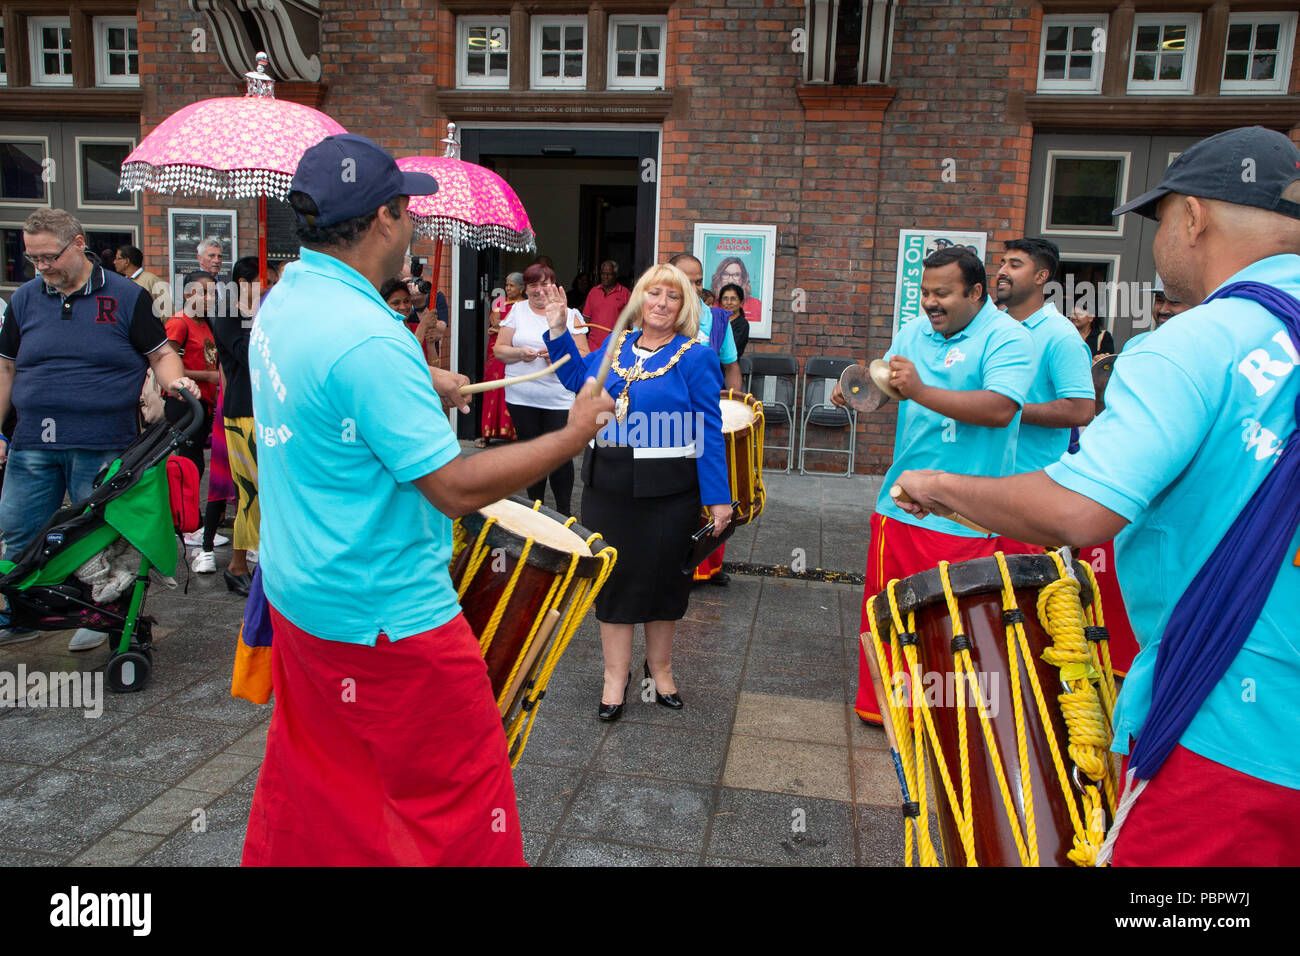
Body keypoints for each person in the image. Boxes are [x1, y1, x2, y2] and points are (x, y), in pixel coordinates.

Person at [892, 126, 1300, 866]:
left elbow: (1080, 512)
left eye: (1160, 219)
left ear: (1195, 217)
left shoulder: (1197, 342)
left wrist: (939, 485)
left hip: (1235, 725)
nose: (1159, 244)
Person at [241, 132, 613, 866]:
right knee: (459, 801)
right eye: (408, 207)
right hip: (385, 621)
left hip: (301, 597)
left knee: (323, 784)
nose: (414, 220)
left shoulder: (286, 299)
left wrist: (417, 377)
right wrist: (570, 438)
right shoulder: (368, 341)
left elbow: (337, 397)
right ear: (383, 218)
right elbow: (450, 488)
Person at [829, 246, 1038, 725]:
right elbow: (887, 390)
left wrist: (922, 389)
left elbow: (1000, 409)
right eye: (924, 292)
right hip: (900, 502)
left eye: (942, 293)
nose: (930, 303)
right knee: (890, 617)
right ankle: (884, 709)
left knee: (952, 625)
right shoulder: (913, 331)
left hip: (966, 514)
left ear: (977, 292)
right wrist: (857, 391)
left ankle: (945, 724)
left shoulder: (1008, 338)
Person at [0, 209, 199, 650]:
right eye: (33, 259)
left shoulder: (125, 296)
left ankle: (110, 621)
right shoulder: (25, 299)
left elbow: (161, 354)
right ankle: (21, 612)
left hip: (103, 440)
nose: (42, 266)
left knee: (106, 538)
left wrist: (176, 382)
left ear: (77, 243)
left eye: (49, 256)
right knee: (20, 531)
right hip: (33, 441)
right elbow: (6, 367)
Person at [541, 263, 731, 719]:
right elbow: (579, 384)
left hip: (670, 490)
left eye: (672, 296)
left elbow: (708, 426)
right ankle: (614, 677)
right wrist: (557, 330)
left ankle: (661, 669)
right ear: (639, 300)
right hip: (609, 484)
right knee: (617, 583)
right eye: (654, 294)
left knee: (665, 579)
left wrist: (718, 496)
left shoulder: (696, 356)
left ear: (684, 306)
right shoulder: (617, 344)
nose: (661, 303)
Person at [670, 254, 743, 587]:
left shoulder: (718, 319)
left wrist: (734, 403)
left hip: (707, 419)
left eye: (699, 281)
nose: (695, 288)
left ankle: (709, 566)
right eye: (687, 281)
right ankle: (676, 563)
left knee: (713, 489)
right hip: (669, 423)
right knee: (678, 496)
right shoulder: (659, 318)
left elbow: (731, 366)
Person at [494, 262, 589, 515]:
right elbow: (499, 350)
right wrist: (518, 353)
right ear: (525, 289)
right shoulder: (516, 311)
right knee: (531, 455)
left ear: (554, 286)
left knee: (560, 455)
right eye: (533, 285)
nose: (539, 290)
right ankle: (535, 511)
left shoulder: (570, 314)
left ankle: (564, 514)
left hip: (558, 398)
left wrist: (558, 356)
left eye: (544, 283)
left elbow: (584, 355)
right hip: (522, 397)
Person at [994, 238, 1094, 472]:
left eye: (1015, 265)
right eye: (1002, 263)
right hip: (982, 475)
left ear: (1040, 277)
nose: (1002, 272)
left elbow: (1081, 410)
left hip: (1031, 480)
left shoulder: (1061, 335)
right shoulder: (990, 327)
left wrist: (1003, 410)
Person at [205, 256, 260, 586]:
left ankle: (248, 562)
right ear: (242, 282)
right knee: (249, 491)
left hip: (266, 409)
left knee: (262, 491)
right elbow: (247, 354)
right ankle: (237, 565)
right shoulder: (227, 314)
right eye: (260, 280)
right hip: (243, 411)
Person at [163, 271, 222, 480]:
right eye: (203, 293)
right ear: (188, 294)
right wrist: (207, 377)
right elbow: (165, 366)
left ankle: (191, 510)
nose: (210, 299)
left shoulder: (206, 323)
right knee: (187, 464)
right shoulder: (179, 323)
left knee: (196, 463)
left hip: (202, 404)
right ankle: (185, 511)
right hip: (184, 403)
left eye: (213, 294)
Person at [476, 272, 521, 448]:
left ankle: (513, 433)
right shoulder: (500, 303)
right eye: (507, 285)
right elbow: (494, 324)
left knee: (512, 388)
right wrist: (498, 328)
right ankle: (486, 434)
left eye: (512, 286)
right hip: (496, 351)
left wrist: (499, 328)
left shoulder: (524, 305)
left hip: (513, 350)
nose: (508, 289)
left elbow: (509, 328)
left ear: (521, 287)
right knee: (492, 389)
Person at [1123, 279, 1191, 352]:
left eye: (1174, 301)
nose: (1163, 310)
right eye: (1159, 300)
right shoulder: (1135, 343)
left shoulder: (1200, 347)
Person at [580, 259, 630, 352]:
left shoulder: (625, 293)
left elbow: (631, 321)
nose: (605, 277)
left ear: (616, 275)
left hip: (615, 346)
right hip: (593, 346)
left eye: (609, 274)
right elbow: (585, 319)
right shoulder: (593, 292)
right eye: (603, 273)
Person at [113, 245, 171, 317]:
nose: (114, 262)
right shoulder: (123, 282)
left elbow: (167, 311)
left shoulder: (152, 281)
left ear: (126, 261)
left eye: (117, 258)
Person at [709, 255, 763, 322]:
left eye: (736, 275)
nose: (731, 280)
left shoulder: (756, 304)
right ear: (719, 277)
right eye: (725, 274)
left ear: (743, 278)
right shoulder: (711, 304)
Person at [717, 282, 750, 358]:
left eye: (733, 299)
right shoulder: (717, 321)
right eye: (725, 298)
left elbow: (730, 349)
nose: (729, 302)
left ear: (741, 303)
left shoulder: (742, 324)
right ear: (720, 302)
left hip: (728, 366)